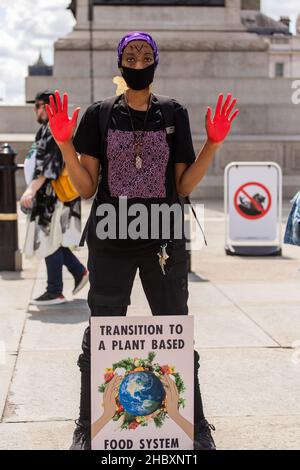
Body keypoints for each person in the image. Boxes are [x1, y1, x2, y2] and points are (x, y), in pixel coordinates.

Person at [45, 31, 239, 450]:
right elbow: (85, 188)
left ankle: (195, 423)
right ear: (119, 62)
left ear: (155, 61)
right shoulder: (98, 114)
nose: (137, 61)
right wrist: (65, 143)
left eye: (144, 54)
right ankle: (88, 424)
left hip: (163, 238)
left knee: (174, 329)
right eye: (129, 55)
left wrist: (213, 144)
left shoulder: (173, 112)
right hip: (112, 235)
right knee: (102, 330)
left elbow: (184, 184)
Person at [21, 90, 88, 305]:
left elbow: (48, 167)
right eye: (36, 106)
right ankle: (78, 273)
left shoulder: (53, 130)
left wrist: (31, 190)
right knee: (52, 241)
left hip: (53, 197)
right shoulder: (44, 130)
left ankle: (55, 290)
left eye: (41, 105)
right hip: (49, 197)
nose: (38, 110)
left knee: (49, 241)